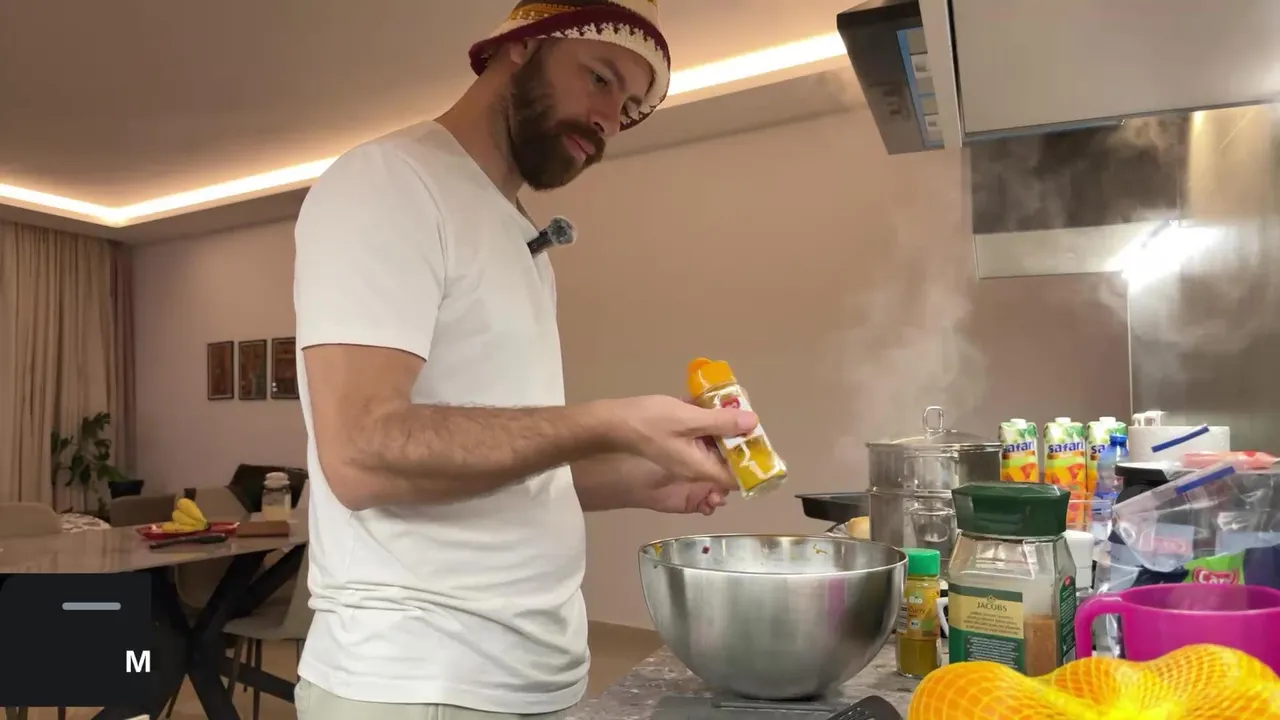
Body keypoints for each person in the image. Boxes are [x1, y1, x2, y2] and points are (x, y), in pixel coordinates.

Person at [290, 2, 759, 718]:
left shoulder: (519, 234)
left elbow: (487, 454)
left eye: (627, 107)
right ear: (522, 44)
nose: (608, 120)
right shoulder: (389, 183)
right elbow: (359, 455)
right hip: (418, 683)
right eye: (600, 78)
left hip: (537, 678)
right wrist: (608, 422)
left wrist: (641, 473)